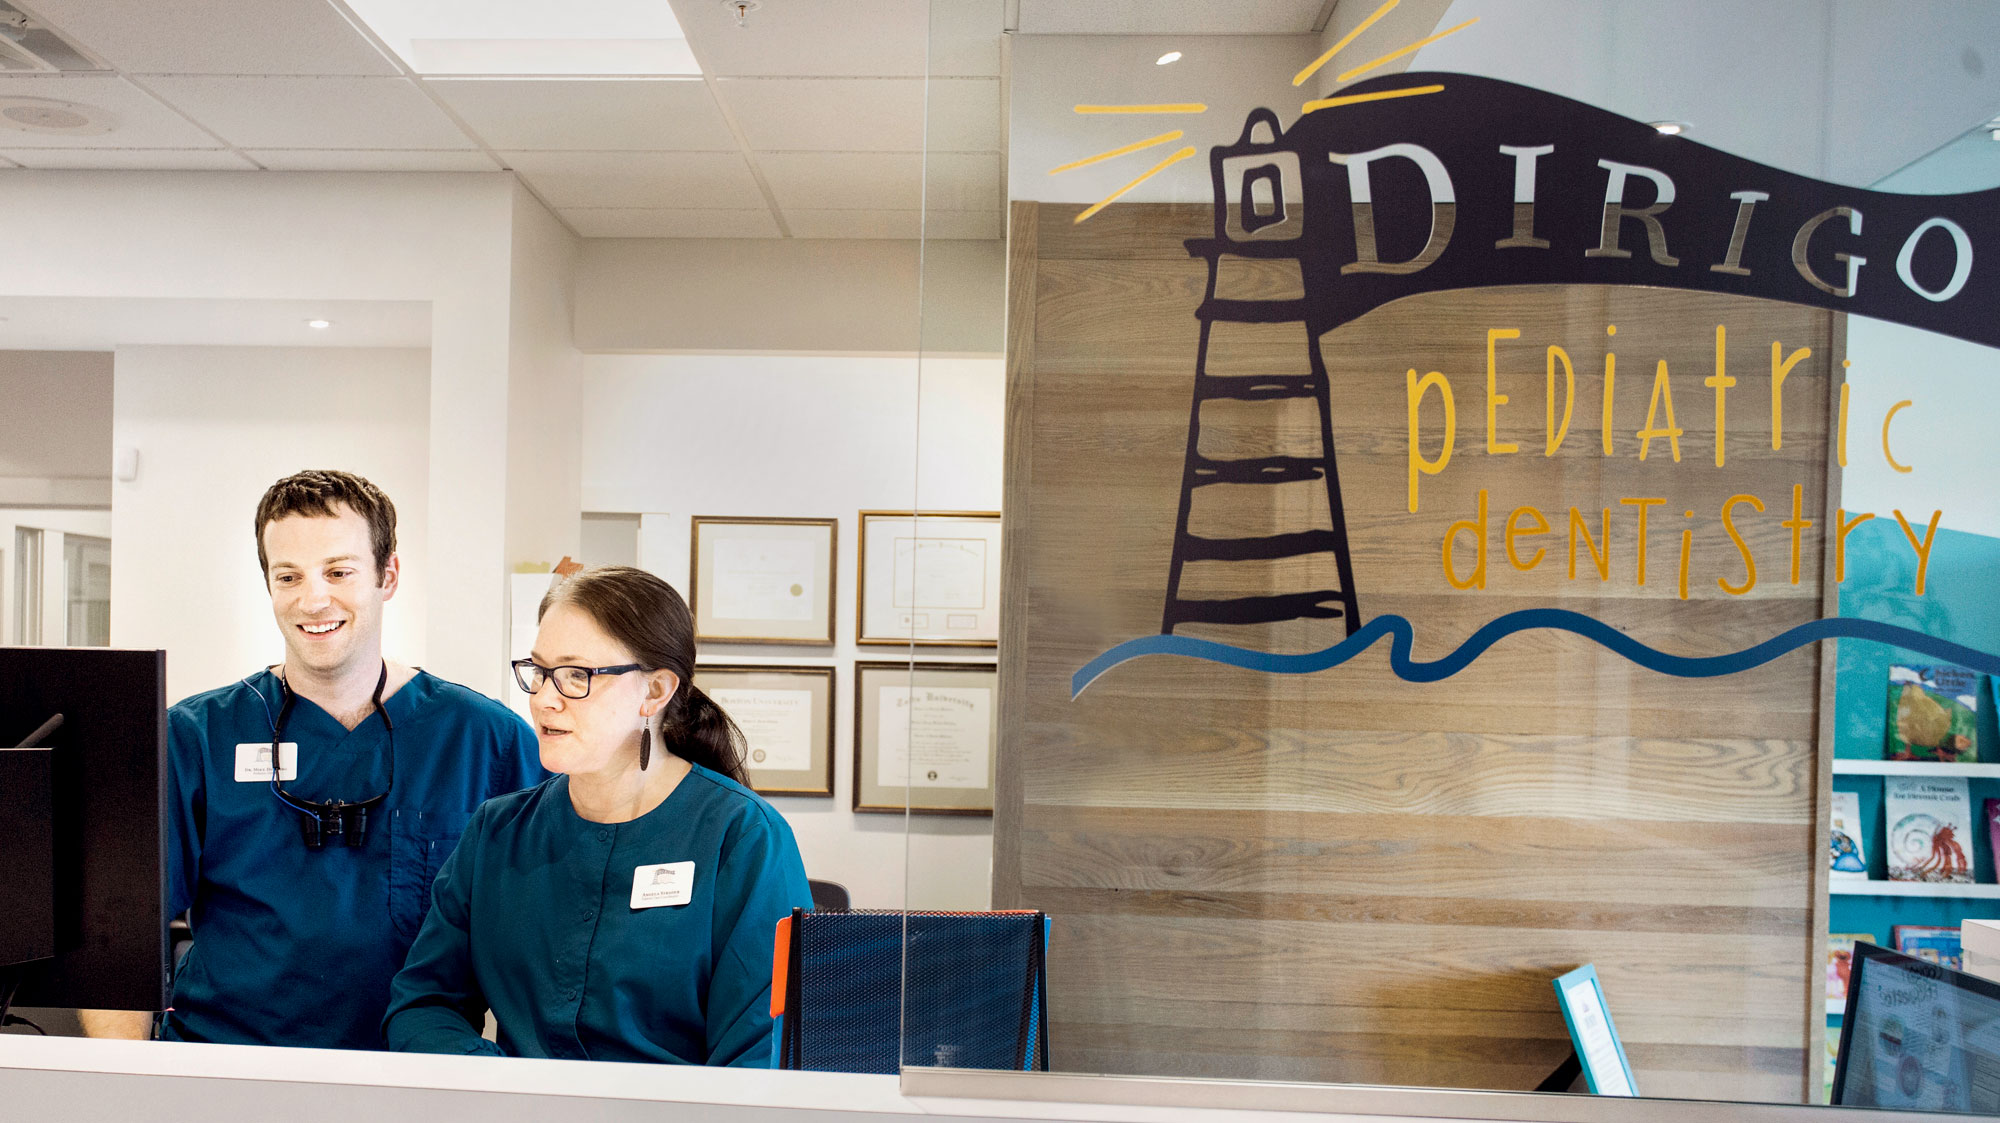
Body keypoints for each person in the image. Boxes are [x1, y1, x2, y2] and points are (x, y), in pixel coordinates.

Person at [83, 470, 544, 1047]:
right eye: (289, 576)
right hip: (222, 1068)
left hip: (413, 1073)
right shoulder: (195, 737)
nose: (313, 599)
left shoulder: (485, 739)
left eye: (339, 572)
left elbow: (540, 939)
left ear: (388, 576)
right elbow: (120, 932)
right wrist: (121, 1083)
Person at [383, 565, 812, 1064]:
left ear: (654, 692)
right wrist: (506, 1091)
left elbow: (763, 1053)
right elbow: (424, 1005)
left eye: (575, 676)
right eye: (539, 672)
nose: (544, 699)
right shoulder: (496, 832)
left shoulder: (742, 838)